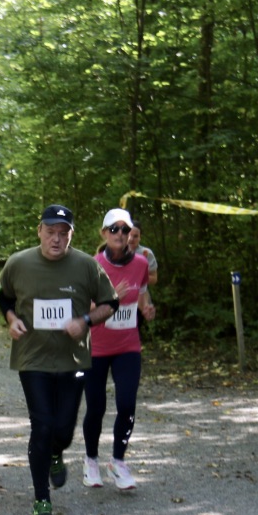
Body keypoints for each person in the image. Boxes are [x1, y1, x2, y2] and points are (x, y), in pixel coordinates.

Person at [0, 204, 119, 515]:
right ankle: (41, 500)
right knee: (42, 425)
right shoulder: (19, 263)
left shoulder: (86, 266)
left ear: (71, 236)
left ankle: (55, 452)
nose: (56, 239)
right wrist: (11, 319)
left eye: (63, 234)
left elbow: (111, 303)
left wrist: (86, 321)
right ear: (39, 231)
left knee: (62, 430)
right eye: (51, 232)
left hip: (73, 358)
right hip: (32, 357)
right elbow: (3, 298)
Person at [82, 208, 155, 492]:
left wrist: (146, 308)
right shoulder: (92, 266)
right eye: (114, 229)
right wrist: (112, 297)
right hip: (97, 347)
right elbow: (83, 308)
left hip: (128, 345)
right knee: (96, 407)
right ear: (104, 233)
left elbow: (142, 293)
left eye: (125, 229)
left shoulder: (141, 263)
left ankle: (118, 461)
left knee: (127, 405)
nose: (120, 234)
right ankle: (91, 460)